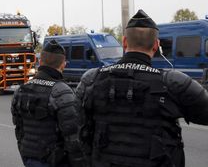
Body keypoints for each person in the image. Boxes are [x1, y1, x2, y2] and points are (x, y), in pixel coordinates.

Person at [76, 9, 208, 167]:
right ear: (156, 45)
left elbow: (77, 124)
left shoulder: (91, 79)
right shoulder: (174, 82)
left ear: (124, 43)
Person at [11, 40, 86, 167]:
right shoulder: (62, 92)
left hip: (29, 158)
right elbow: (73, 139)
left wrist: (26, 155)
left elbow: (19, 130)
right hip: (56, 161)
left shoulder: (21, 90)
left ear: (40, 62)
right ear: (63, 65)